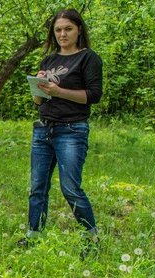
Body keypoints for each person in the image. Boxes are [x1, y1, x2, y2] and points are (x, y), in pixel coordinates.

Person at [19, 8, 103, 257]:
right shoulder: (49, 60)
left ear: (79, 30)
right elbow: (38, 101)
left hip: (72, 130)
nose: (63, 34)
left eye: (68, 29)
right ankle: (33, 236)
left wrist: (58, 91)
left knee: (71, 188)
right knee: (37, 187)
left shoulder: (88, 58)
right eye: (58, 30)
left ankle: (92, 238)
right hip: (44, 129)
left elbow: (93, 96)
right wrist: (39, 84)